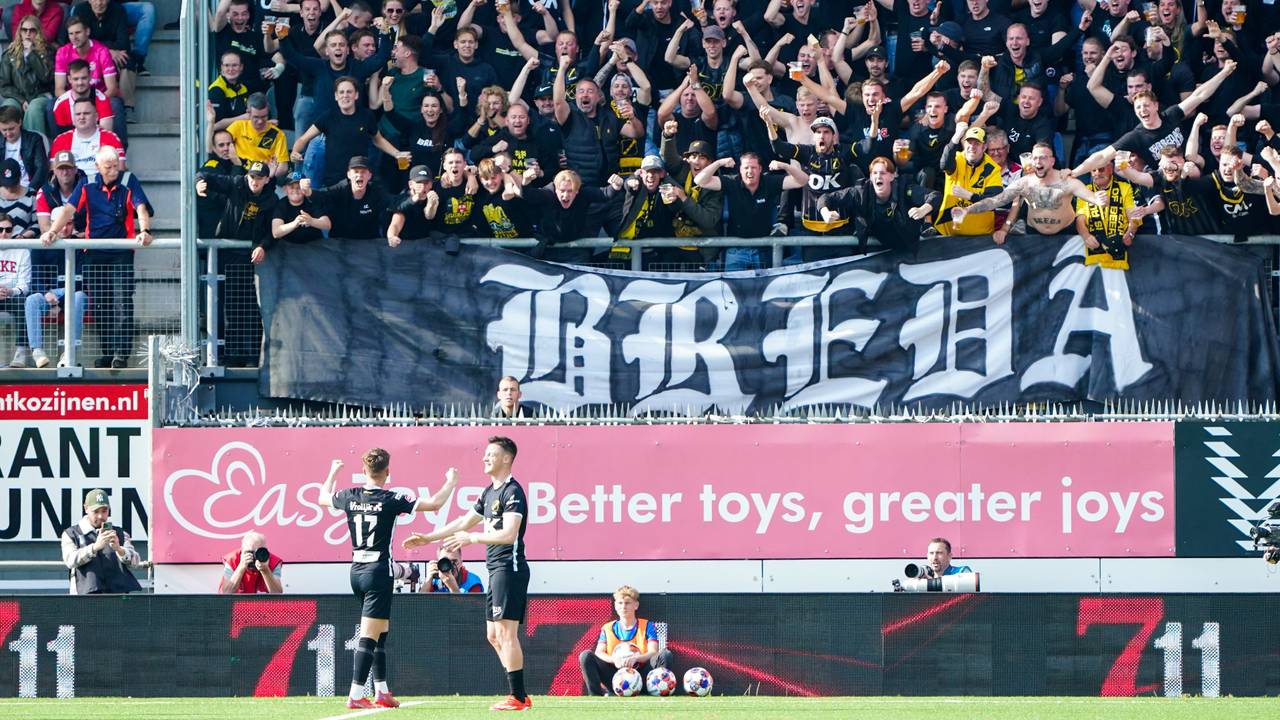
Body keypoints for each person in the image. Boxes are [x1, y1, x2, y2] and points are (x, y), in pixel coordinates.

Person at [318, 448, 460, 710]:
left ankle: (382, 691)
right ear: (388, 472)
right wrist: (451, 481)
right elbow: (435, 504)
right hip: (378, 573)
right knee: (369, 636)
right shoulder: (392, 498)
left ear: (363, 471)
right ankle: (356, 694)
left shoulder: (350, 495)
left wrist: (333, 472)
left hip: (356, 571)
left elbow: (322, 498)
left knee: (380, 632)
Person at [404, 436, 532, 712]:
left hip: (509, 569)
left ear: (507, 458)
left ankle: (518, 697)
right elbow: (462, 522)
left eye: (491, 454)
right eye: (485, 454)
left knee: (506, 633)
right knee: (493, 635)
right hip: (495, 570)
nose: (485, 458)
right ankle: (520, 694)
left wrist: (473, 539)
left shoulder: (513, 492)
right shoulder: (489, 492)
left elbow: (509, 534)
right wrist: (428, 537)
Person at [40, 146, 152, 369]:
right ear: (98, 167)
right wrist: (52, 230)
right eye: (108, 167)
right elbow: (69, 209)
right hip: (94, 253)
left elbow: (141, 207)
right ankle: (107, 352)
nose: (113, 171)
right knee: (100, 305)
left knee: (122, 303)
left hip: (121, 253)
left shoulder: (128, 180)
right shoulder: (87, 182)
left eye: (115, 166)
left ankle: (121, 352)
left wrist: (145, 230)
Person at [952, 142, 1104, 243]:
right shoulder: (1024, 183)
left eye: (1043, 158)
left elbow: (1092, 198)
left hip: (1066, 233)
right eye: (1035, 158)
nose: (1038, 162)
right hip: (1033, 234)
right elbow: (995, 201)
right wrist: (967, 210)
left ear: (1052, 161)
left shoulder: (1067, 182)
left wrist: (1100, 199)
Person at [579, 585, 674, 696]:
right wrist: (614, 660)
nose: (623, 607)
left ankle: (655, 692)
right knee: (585, 656)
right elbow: (599, 652)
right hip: (615, 676)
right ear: (615, 606)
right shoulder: (607, 628)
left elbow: (653, 651)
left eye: (627, 603)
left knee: (665, 655)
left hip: (643, 676)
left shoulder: (648, 625)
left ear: (636, 605)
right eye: (620, 603)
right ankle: (595, 696)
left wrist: (636, 658)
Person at [60, 488, 143, 594]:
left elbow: (135, 562)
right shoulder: (71, 533)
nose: (100, 516)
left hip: (117, 598)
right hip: (85, 598)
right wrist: (94, 548)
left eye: (104, 511)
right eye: (96, 512)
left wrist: (119, 549)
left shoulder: (120, 533)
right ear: (86, 508)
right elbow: (70, 560)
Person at [0, 214, 33, 368]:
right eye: (0, 230)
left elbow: (25, 284)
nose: (4, 234)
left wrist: (11, 291)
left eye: (8, 230)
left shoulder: (21, 251)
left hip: (12, 295)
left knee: (25, 304)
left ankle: (20, 352)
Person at [218, 530, 284, 594]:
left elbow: (277, 593)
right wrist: (241, 567)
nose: (254, 557)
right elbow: (226, 593)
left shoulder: (273, 561)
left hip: (262, 604)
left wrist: (266, 570)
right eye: (250, 552)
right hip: (236, 603)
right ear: (242, 550)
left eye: (258, 552)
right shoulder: (232, 560)